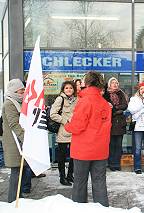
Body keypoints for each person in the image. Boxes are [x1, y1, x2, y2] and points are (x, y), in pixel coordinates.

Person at [65, 71, 112, 207]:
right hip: (101, 149)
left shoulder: (84, 101)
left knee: (79, 183)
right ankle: (102, 209)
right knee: (99, 182)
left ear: (87, 83)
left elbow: (77, 125)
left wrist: (68, 125)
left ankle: (80, 209)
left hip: (83, 150)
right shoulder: (105, 103)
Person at [1, 79, 32, 202]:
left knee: (21, 170)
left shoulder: (18, 102)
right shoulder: (9, 103)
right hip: (14, 143)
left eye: (24, 90)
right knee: (16, 172)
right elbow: (14, 124)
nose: (23, 92)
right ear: (14, 90)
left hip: (19, 141)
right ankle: (12, 199)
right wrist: (25, 138)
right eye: (21, 90)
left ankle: (18, 197)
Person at [50, 81, 77, 186]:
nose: (69, 90)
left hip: (74, 131)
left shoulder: (77, 100)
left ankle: (70, 175)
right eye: (66, 88)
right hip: (63, 131)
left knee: (74, 155)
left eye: (71, 88)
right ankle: (62, 177)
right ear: (63, 89)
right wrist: (65, 121)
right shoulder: (60, 99)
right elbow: (53, 114)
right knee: (62, 156)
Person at [103, 77, 128, 171]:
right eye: (113, 82)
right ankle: (111, 164)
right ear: (109, 84)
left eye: (116, 83)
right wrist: (118, 109)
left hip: (120, 123)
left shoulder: (121, 93)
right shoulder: (105, 94)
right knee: (111, 145)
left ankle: (117, 164)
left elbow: (125, 105)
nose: (115, 84)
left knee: (118, 145)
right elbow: (106, 106)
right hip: (110, 122)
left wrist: (115, 108)